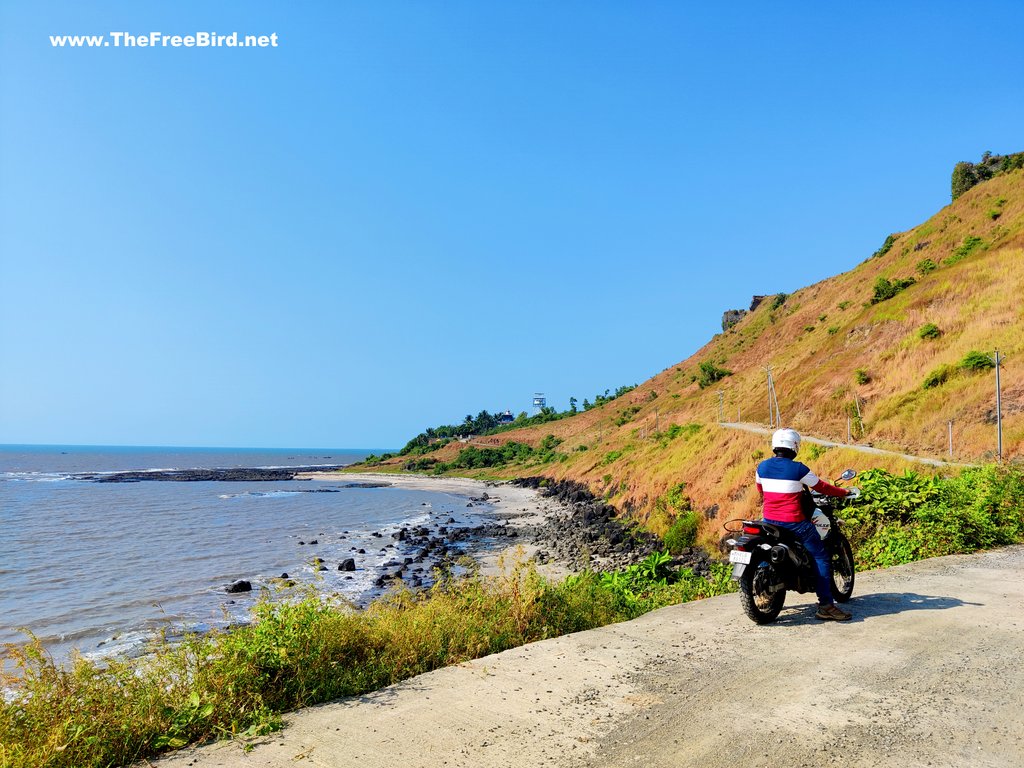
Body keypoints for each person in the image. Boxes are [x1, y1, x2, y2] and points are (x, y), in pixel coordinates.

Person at [755, 428, 858, 621]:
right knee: (821, 555)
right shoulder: (799, 469)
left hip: (769, 520)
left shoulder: (761, 467)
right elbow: (822, 487)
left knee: (765, 547)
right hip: (794, 523)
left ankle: (762, 580)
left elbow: (761, 490)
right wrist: (843, 492)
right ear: (795, 446)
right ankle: (826, 605)